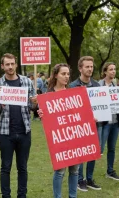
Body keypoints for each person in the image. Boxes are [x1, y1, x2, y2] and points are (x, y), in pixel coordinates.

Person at [0, 53, 36, 198]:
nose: (10, 67)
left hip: (24, 131)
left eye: (12, 63)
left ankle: (22, 195)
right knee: (5, 167)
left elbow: (32, 106)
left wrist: (35, 102)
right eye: (7, 64)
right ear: (2, 66)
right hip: (5, 133)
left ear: (16, 64)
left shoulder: (27, 82)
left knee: (22, 168)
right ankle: (6, 195)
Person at [38, 63, 79, 198]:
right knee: (60, 171)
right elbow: (48, 121)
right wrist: (42, 115)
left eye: (68, 74)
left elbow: (79, 113)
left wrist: (90, 119)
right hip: (59, 138)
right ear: (56, 75)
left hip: (74, 136)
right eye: (63, 74)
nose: (66, 77)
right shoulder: (49, 95)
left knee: (75, 170)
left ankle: (73, 196)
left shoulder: (73, 92)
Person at [69, 56, 101, 191]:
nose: (90, 69)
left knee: (93, 152)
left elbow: (101, 106)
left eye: (91, 66)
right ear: (80, 68)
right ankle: (79, 180)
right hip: (79, 126)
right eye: (87, 66)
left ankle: (89, 178)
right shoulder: (72, 86)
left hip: (95, 125)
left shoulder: (97, 86)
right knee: (81, 152)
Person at [98, 62, 119, 181]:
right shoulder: (99, 85)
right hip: (104, 123)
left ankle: (110, 171)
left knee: (111, 148)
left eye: (114, 69)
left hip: (115, 122)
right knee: (99, 149)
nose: (113, 71)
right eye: (111, 69)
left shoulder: (115, 85)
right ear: (105, 72)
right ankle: (87, 175)